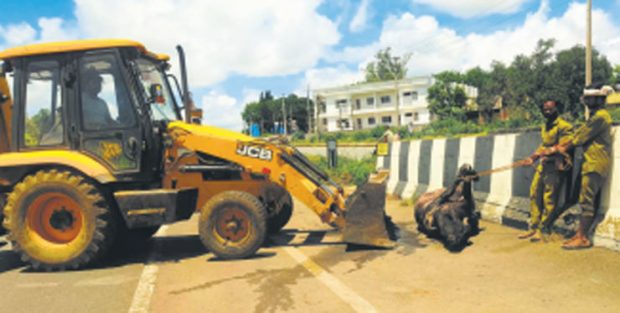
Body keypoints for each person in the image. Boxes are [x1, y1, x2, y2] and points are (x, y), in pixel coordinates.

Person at [550, 86, 613, 249]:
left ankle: (583, 237)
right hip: (590, 162)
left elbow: (579, 138)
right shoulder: (596, 116)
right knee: (584, 198)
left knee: (587, 200)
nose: (587, 101)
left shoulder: (600, 117)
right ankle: (579, 234)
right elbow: (577, 135)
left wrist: (559, 149)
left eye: (590, 98)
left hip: (595, 163)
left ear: (600, 99)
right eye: (587, 98)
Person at [519, 100, 573, 242]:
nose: (547, 112)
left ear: (556, 109)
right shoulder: (545, 126)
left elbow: (565, 145)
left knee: (549, 198)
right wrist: (532, 158)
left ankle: (543, 229)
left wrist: (550, 151)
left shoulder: (564, 126)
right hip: (543, 165)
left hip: (555, 167)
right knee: (534, 193)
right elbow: (543, 145)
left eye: (550, 109)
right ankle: (533, 227)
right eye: (544, 109)